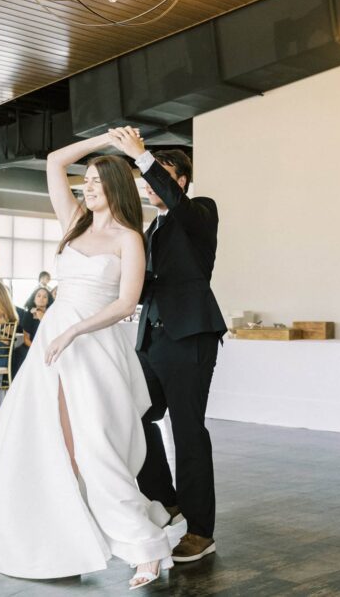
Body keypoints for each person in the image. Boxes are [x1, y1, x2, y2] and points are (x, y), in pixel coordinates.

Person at [0, 133, 173, 588]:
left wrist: (75, 329)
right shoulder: (74, 222)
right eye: (88, 180)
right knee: (46, 440)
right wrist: (106, 139)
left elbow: (125, 304)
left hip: (93, 344)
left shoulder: (129, 239)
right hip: (53, 347)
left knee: (95, 447)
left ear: (117, 185)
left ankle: (145, 551)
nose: (89, 187)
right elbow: (56, 162)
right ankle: (59, 540)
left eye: (98, 180)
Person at [111, 127, 228, 563]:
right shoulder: (150, 230)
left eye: (158, 174)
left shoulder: (199, 212)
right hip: (152, 339)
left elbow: (181, 209)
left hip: (190, 337)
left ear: (179, 180)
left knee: (187, 431)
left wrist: (142, 156)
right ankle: (166, 497)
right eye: (147, 176)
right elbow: (141, 285)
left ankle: (200, 530)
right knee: (132, 413)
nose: (147, 183)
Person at [13, 287, 51, 378]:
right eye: (38, 296)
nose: (41, 298)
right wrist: (36, 348)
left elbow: (49, 329)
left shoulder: (51, 314)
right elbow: (26, 339)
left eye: (45, 297)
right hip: (31, 345)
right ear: (34, 299)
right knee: (21, 353)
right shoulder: (28, 315)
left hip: (48, 345)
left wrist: (38, 312)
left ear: (48, 301)